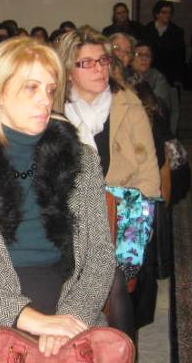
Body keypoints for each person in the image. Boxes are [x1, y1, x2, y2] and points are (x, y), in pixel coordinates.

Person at [0, 37, 115, 363]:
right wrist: (29, 319)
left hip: (67, 299)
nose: (45, 100)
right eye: (31, 88)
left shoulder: (81, 160)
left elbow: (100, 256)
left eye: (50, 89)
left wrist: (71, 317)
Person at [60, 27, 160, 338]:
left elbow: (149, 175)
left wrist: (139, 221)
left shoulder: (128, 104)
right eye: (87, 63)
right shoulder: (53, 110)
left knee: (111, 274)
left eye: (103, 60)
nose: (99, 69)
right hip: (70, 221)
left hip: (123, 218)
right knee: (88, 273)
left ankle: (118, 353)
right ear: (68, 71)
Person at [143, 0, 186, 86]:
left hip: (169, 72)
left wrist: (178, 77)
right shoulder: (147, 29)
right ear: (157, 14)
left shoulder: (177, 31)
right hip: (149, 70)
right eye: (164, 12)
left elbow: (180, 56)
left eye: (169, 13)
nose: (167, 15)